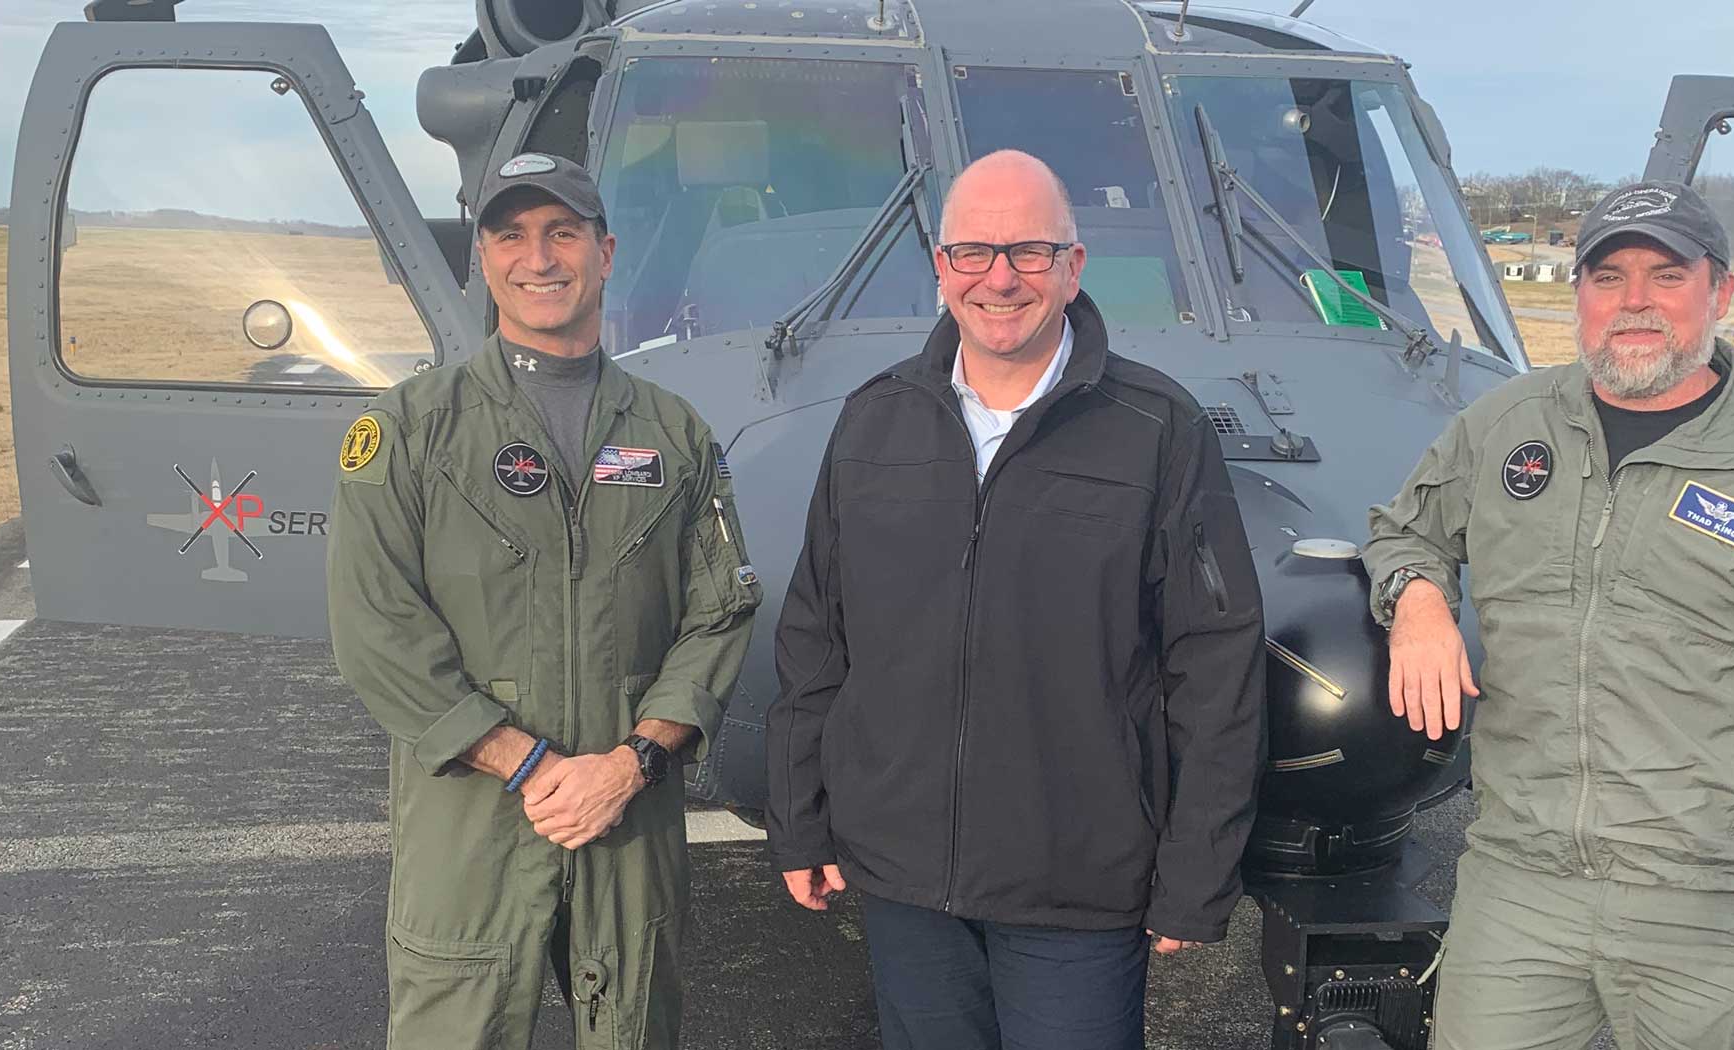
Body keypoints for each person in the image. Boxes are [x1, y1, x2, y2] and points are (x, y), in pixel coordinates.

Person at [1365, 179, 1734, 1050]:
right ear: (1578, 295)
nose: (1634, 302)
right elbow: (1404, 530)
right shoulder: (1507, 427)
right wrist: (1419, 599)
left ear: (1721, 292)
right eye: (1607, 277)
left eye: (1666, 276)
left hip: (1718, 905)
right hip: (1522, 887)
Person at [764, 149, 1266, 1050]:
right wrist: (800, 821)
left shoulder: (1159, 430)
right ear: (941, 267)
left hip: (1075, 880)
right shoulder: (874, 421)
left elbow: (1213, 660)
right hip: (905, 877)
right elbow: (816, 637)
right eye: (974, 253)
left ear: (1073, 269)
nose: (1001, 278)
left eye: (1031, 252)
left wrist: (1197, 871)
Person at [327, 152, 760, 1050]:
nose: (540, 256)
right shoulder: (409, 430)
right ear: (483, 259)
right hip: (472, 829)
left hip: (624, 817)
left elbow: (717, 614)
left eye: (563, 232)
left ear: (605, 251)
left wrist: (632, 762)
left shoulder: (673, 434)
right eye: (512, 234)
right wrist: (529, 764)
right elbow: (378, 633)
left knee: (636, 1029)